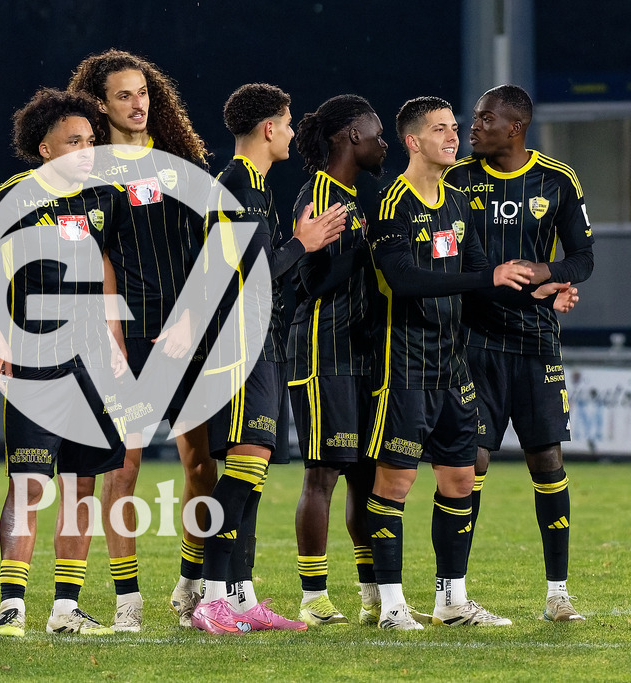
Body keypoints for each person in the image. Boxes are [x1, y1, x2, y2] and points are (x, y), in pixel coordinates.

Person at [364, 96, 574, 629]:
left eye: (453, 128)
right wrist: (486, 276)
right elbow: (404, 280)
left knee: (459, 480)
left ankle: (451, 600)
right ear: (413, 141)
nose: (454, 136)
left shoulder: (457, 203)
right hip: (405, 365)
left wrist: (541, 293)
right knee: (394, 484)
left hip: (454, 366)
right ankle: (391, 605)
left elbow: (485, 279)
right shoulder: (391, 203)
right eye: (440, 129)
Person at [0, 88, 126, 637]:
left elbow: (104, 261)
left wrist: (114, 337)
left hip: (91, 365)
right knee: (29, 484)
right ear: (45, 149)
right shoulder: (12, 197)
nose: (87, 150)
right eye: (74, 141)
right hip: (35, 362)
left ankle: (65, 609)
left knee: (81, 485)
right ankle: (12, 606)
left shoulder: (101, 197)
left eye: (91, 140)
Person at [68, 48, 215, 631]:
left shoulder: (183, 162)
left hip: (187, 332)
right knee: (123, 468)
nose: (137, 104)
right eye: (124, 95)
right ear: (100, 105)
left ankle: (190, 583)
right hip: (127, 336)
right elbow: (91, 255)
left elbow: (212, 246)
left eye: (143, 93)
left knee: (201, 463)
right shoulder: (91, 171)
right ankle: (127, 599)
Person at [191, 83, 345, 634]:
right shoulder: (234, 186)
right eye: (288, 120)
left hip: (264, 344)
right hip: (238, 346)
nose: (292, 131)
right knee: (242, 471)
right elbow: (246, 276)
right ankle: (210, 598)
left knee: (251, 475)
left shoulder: (256, 188)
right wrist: (303, 243)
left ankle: (241, 597)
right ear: (269, 128)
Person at [443, 84, 592, 622]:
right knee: (471, 462)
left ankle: (558, 594)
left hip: (535, 343)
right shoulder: (457, 179)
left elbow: (583, 257)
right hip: (473, 342)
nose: (473, 126)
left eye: (485, 119)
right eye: (474, 117)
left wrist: (550, 275)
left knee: (546, 460)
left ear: (515, 127)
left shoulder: (557, 179)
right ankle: (454, 594)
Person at [286, 95, 386, 626]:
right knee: (323, 473)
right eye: (376, 134)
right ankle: (313, 595)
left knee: (366, 476)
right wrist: (365, 251)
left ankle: (372, 594)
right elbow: (311, 281)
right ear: (350, 135)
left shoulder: (353, 199)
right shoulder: (320, 196)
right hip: (324, 350)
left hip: (362, 353)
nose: (383, 144)